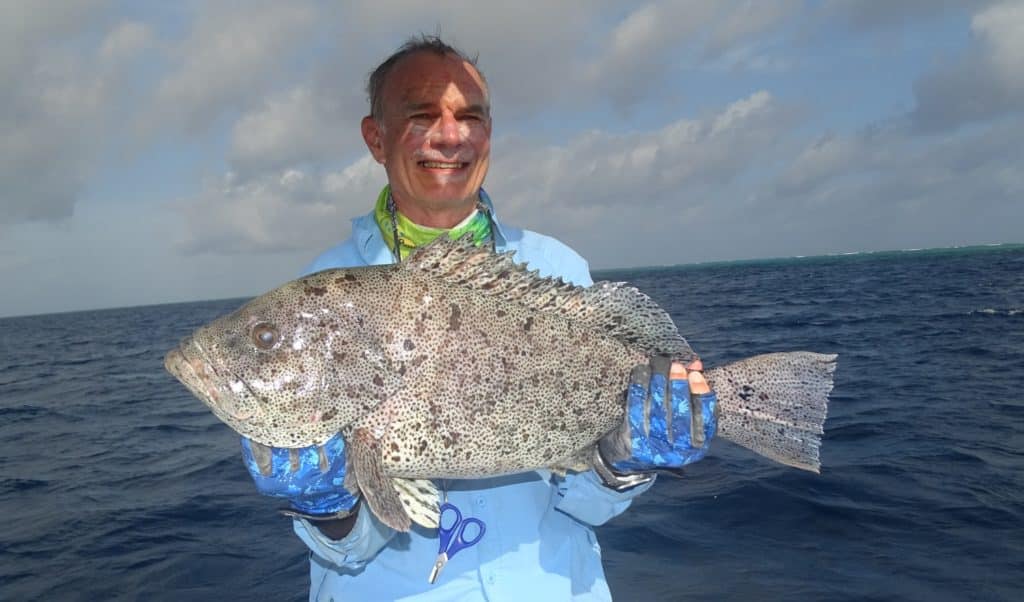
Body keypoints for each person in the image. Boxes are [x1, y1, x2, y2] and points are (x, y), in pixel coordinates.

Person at [240, 35, 717, 601]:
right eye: (422, 116)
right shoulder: (322, 293)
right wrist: (330, 512)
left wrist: (620, 462)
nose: (451, 134)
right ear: (376, 138)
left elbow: (589, 505)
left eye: (471, 116)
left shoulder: (554, 267)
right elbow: (350, 550)